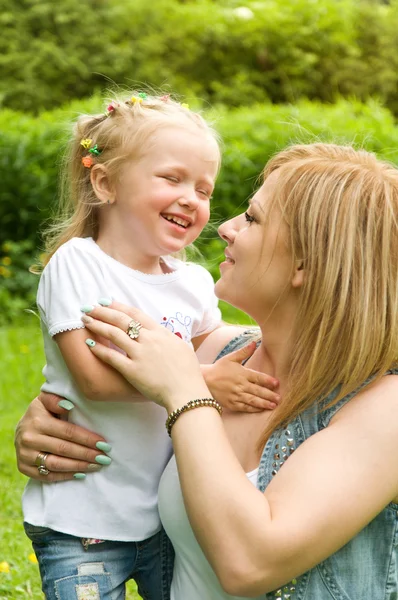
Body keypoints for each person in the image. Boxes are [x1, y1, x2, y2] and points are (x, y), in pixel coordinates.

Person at [16, 142, 398, 599]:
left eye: (252, 219)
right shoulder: (221, 352)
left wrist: (185, 391)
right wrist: (49, 418)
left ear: (306, 263)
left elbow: (250, 564)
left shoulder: (382, 407)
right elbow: (97, 381)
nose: (227, 229)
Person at [21, 91, 280, 600]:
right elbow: (94, 380)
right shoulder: (78, 264)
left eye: (204, 189)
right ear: (105, 182)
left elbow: (222, 350)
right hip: (85, 521)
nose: (193, 198)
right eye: (172, 178)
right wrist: (203, 384)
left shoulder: (192, 283)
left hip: (165, 519)